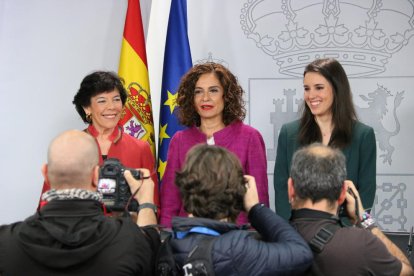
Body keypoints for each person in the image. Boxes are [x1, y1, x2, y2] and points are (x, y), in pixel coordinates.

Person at [0, 130, 160, 275]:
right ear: (96, 176)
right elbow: (150, 244)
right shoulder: (128, 240)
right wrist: (146, 202)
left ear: (46, 174)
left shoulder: (6, 242)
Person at [160, 144, 312, 275]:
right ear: (238, 192)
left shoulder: (168, 245)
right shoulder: (236, 249)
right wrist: (255, 208)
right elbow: (301, 253)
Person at [160, 62, 269, 227]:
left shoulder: (250, 137)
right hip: (189, 237)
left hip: (238, 238)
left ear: (227, 95)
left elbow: (258, 196)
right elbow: (170, 200)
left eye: (213, 90)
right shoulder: (179, 140)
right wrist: (166, 238)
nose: (205, 98)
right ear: (191, 98)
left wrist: (256, 239)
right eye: (198, 92)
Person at [274, 58, 376, 220]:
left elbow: (366, 192)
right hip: (297, 233)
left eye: (319, 88)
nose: (311, 95)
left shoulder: (363, 135)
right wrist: (289, 232)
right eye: (307, 88)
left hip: (344, 236)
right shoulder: (289, 133)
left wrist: (343, 234)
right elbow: (281, 189)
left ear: (337, 89)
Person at [39, 71, 159, 209]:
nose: (111, 107)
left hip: (127, 228)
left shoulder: (140, 148)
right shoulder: (69, 147)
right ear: (87, 108)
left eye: (116, 99)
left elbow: (153, 204)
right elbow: (47, 203)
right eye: (102, 101)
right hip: (79, 228)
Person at [288, 143, 413, 276]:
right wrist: (364, 219)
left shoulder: (268, 239)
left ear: (290, 188)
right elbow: (408, 272)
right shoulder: (360, 244)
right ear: (343, 193)